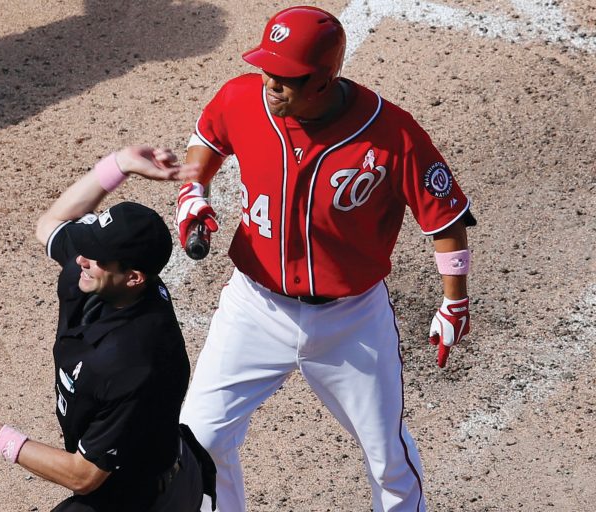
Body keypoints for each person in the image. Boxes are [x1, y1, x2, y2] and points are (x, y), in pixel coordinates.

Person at [173, 6, 476, 512]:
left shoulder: (392, 133)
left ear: (326, 77)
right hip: (254, 307)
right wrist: (191, 192)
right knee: (199, 436)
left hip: (351, 322)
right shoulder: (242, 98)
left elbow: (444, 219)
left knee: (388, 460)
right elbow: (206, 140)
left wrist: (453, 303)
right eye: (267, 68)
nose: (272, 82)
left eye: (288, 77)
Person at [0, 145, 215, 511]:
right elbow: (50, 224)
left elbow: (83, 477)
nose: (81, 259)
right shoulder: (99, 276)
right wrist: (118, 166)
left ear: (133, 277)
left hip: (144, 500)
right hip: (128, 469)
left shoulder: (135, 361)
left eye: (96, 258)